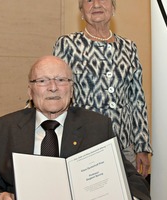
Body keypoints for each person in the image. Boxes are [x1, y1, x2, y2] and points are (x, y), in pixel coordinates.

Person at [0, 56, 150, 200]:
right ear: (30, 92)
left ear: (72, 89)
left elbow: (132, 180)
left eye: (61, 80)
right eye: (42, 81)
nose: (53, 87)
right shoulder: (2, 129)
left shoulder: (97, 126)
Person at [53, 0, 153, 178]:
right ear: (82, 12)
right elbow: (55, 93)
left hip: (124, 148)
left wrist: (142, 146)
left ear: (113, 8)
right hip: (82, 146)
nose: (96, 4)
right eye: (89, 0)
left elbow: (137, 99)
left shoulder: (129, 48)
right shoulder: (67, 44)